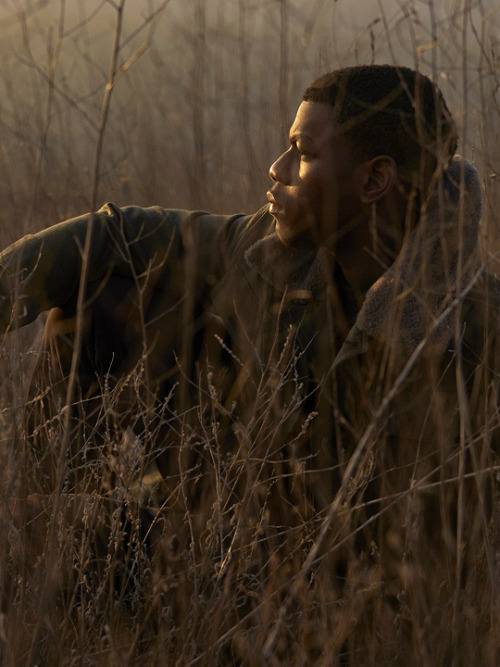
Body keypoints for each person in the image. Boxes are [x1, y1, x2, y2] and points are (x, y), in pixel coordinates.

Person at [1, 64, 499, 661]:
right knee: (100, 296)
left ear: (374, 181)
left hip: (346, 603)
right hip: (226, 533)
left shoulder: (472, 336)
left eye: (302, 153)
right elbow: (118, 234)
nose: (277, 169)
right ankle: (37, 539)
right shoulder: (277, 251)